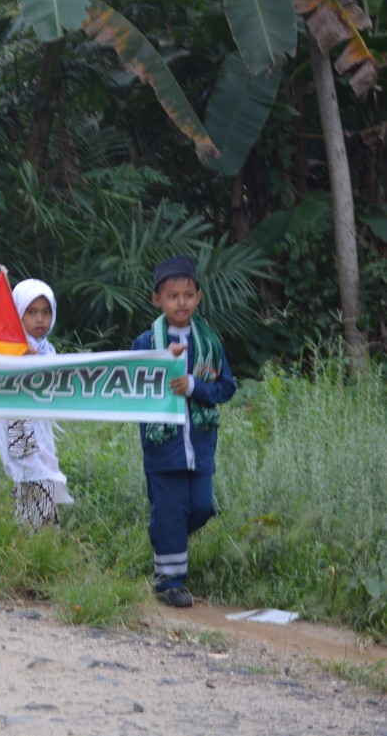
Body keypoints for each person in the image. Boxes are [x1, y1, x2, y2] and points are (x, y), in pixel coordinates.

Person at [130, 256, 236, 608]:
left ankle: (163, 534)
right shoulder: (146, 343)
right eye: (173, 296)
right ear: (157, 300)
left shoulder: (210, 343)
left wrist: (193, 385)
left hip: (201, 446)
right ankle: (169, 582)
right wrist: (162, 359)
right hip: (164, 449)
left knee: (203, 507)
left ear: (198, 298)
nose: (181, 302)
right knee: (171, 510)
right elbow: (133, 385)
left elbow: (226, 388)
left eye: (188, 294)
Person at [0, 279, 72, 528]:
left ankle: (37, 537)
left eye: (46, 312)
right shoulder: (7, 347)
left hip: (41, 429)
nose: (40, 319)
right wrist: (19, 359)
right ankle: (33, 536)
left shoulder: (47, 350)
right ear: (18, 313)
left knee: (43, 476)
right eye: (32, 312)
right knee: (33, 478)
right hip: (18, 429)